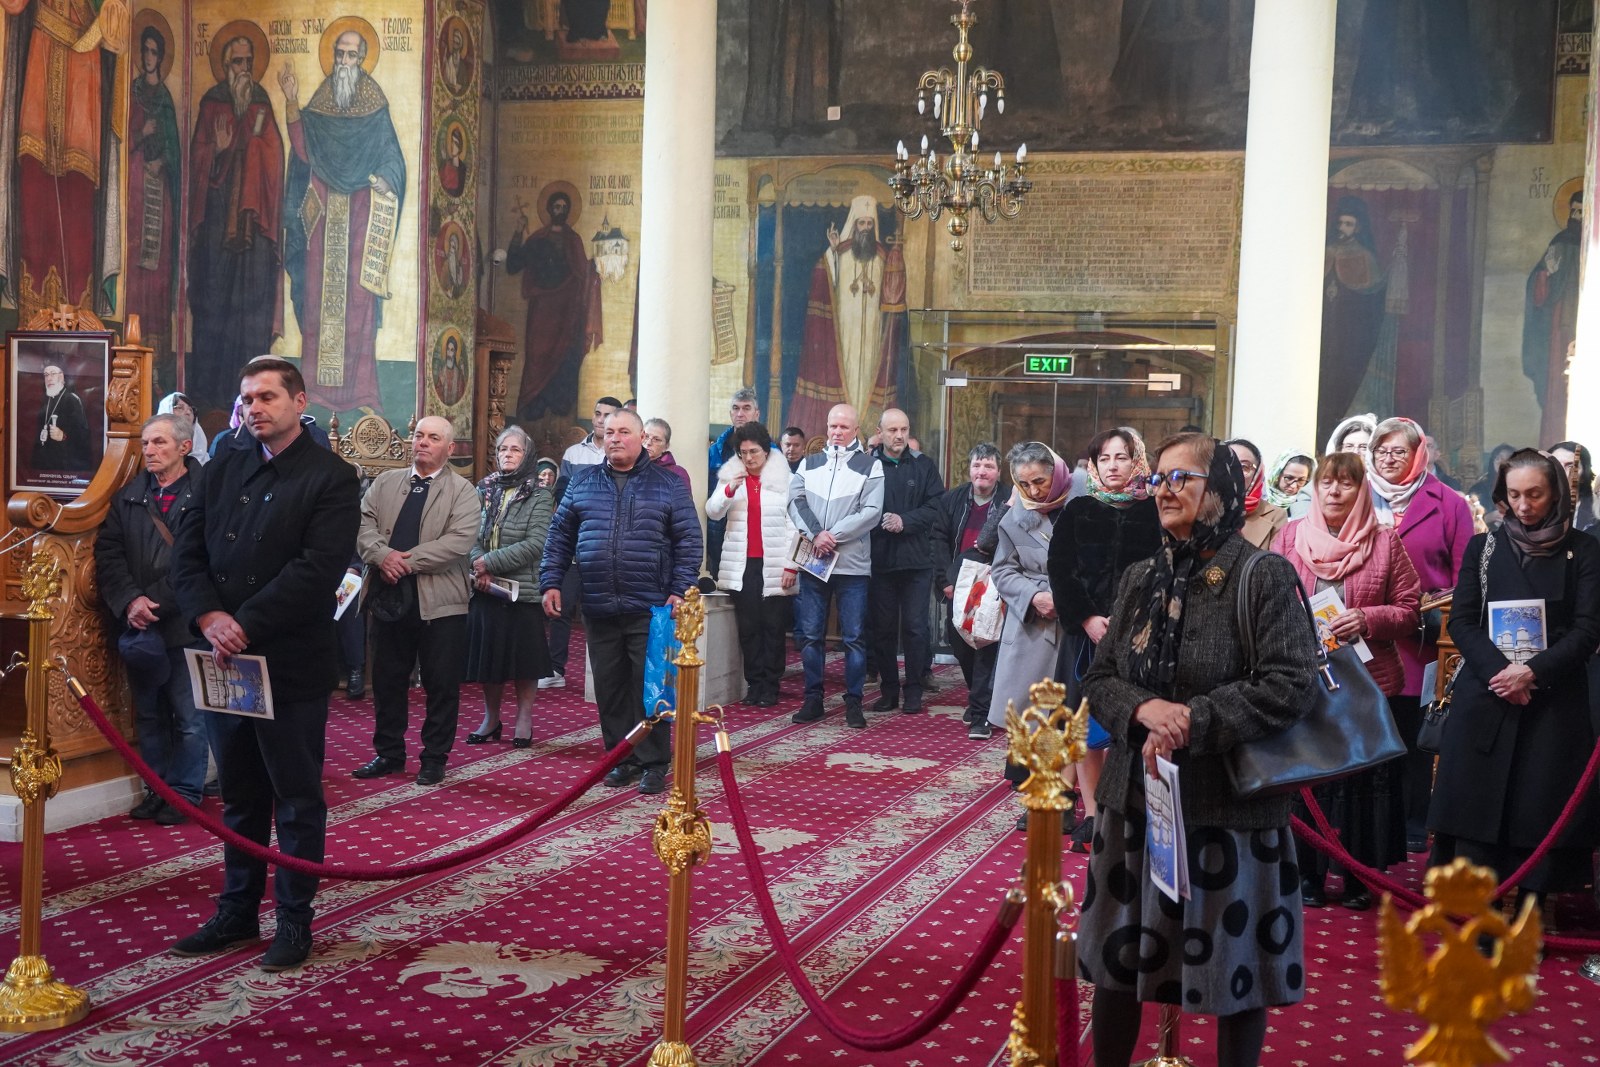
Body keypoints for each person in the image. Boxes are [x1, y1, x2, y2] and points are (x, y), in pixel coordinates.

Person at [1080, 433, 1319, 1067]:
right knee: (1117, 961)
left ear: (1221, 490)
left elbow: (1290, 684)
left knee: (1235, 972)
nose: (1163, 491)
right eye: (1156, 479)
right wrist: (1143, 710)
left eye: (1179, 478)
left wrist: (1192, 719)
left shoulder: (1263, 575)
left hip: (1229, 808)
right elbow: (1100, 678)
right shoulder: (1140, 578)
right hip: (1135, 799)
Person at [169, 356, 361, 972]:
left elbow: (317, 570)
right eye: (247, 398)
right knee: (240, 795)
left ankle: (295, 919)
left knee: (296, 796)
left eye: (267, 397)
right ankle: (237, 910)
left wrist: (244, 623)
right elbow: (187, 552)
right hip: (223, 657)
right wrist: (207, 617)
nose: (254, 408)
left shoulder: (332, 477)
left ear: (299, 402)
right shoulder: (223, 465)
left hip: (288, 660)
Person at [1428, 449, 1600, 906]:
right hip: (1489, 692)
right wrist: (1501, 673)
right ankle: (1476, 910)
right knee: (1477, 807)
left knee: (1538, 807)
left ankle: (1530, 913)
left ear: (1556, 493)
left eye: (1535, 494)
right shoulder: (1483, 548)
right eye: (1514, 494)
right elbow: (1462, 620)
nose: (1523, 506)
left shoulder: (1584, 550)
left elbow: (1588, 629)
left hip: (1552, 698)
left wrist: (1532, 672)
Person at [1272, 452, 1420, 909]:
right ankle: (1309, 874)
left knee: (1363, 782)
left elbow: (1410, 610)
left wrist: (1367, 619)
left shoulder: (1385, 541)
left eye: (1346, 483)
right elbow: (1265, 600)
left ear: (1362, 490)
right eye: (1327, 483)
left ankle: (1360, 877)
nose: (1335, 491)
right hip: (1304, 677)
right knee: (1310, 780)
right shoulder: (1289, 537)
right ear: (1315, 489)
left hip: (1368, 680)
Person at [539, 410, 702, 796]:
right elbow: (559, 537)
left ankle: (654, 762)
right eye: (609, 431)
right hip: (599, 604)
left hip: (650, 606)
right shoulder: (583, 483)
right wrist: (551, 581)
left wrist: (680, 588)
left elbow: (689, 540)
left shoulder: (668, 484)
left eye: (624, 431)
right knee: (610, 688)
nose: (614, 438)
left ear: (641, 438)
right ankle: (620, 758)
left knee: (648, 688)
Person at [1047, 427, 1162, 853]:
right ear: (1093, 465)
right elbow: (1060, 570)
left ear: (1137, 461)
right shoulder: (1078, 509)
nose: (1113, 466)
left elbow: (1164, 572)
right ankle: (1094, 815)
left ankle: (1127, 810)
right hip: (1085, 636)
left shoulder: (1154, 511)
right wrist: (1087, 617)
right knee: (1082, 726)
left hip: (1141, 637)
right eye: (1104, 458)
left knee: (1132, 724)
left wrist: (1135, 623)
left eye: (1121, 457)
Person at [278, 31, 406, 413]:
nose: (344, 62)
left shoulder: (374, 104)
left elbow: (392, 155)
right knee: (319, 301)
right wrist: (291, 100)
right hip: (323, 218)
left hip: (361, 216)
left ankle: (361, 393)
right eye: (340, 54)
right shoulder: (321, 101)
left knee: (359, 303)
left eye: (351, 55)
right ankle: (315, 392)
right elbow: (305, 150)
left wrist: (387, 178)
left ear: (362, 59)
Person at [1366, 416, 1473, 854]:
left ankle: (1413, 819)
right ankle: (1364, 823)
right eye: (1382, 451)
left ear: (1418, 455)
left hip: (1424, 639)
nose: (1389, 459)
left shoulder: (1449, 503)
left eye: (1399, 452)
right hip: (1366, 635)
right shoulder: (1358, 495)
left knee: (1413, 737)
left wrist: (1437, 605)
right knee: (1368, 731)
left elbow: (1466, 577)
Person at [352, 416, 478, 786]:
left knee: (441, 683)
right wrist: (382, 556)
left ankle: (434, 758)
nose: (422, 442)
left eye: (433, 437)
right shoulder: (386, 482)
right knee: (387, 679)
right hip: (388, 598)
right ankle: (388, 753)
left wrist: (403, 561)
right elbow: (362, 525)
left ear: (449, 448)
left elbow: (459, 541)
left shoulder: (463, 491)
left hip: (441, 603)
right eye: (419, 435)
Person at [96, 413, 207, 827]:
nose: (150, 450)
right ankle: (156, 789)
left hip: (185, 624)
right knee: (148, 715)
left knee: (189, 718)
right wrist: (130, 601)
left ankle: (185, 794)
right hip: (140, 627)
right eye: (146, 443)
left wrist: (153, 602)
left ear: (184, 447)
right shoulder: (129, 496)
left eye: (159, 442)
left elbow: (201, 560)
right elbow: (108, 554)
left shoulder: (206, 495)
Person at [187, 35, 284, 413]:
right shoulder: (212, 102)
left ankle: (256, 392)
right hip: (216, 221)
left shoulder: (261, 102)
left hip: (253, 226)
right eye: (236, 63)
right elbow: (197, 159)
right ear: (225, 67)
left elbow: (275, 157)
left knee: (251, 303)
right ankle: (209, 393)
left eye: (247, 62)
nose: (243, 70)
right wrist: (220, 151)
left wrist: (255, 151)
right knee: (213, 300)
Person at [787, 403, 884, 728]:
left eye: (844, 427)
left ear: (856, 430)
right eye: (833, 426)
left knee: (854, 637)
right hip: (815, 560)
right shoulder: (810, 462)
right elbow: (794, 500)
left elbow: (871, 511)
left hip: (852, 564)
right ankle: (813, 698)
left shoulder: (871, 465)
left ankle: (853, 702)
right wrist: (817, 534)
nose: (837, 432)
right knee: (811, 635)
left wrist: (833, 536)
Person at [789, 196, 909, 435]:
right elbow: (826, 280)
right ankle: (847, 418)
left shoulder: (883, 257)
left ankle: (865, 423)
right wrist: (832, 251)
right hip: (844, 330)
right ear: (853, 225)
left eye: (869, 224)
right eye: (861, 223)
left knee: (867, 373)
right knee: (846, 369)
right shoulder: (840, 254)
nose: (865, 228)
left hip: (872, 331)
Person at [465, 426, 554, 748]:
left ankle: (524, 718)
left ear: (526, 455)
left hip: (522, 591)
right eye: (503, 449)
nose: (507, 454)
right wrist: (478, 564)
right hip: (485, 588)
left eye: (515, 449)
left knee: (524, 660)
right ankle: (491, 718)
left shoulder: (540, 494)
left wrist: (489, 563)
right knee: (490, 659)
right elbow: (468, 534)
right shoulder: (484, 489)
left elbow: (536, 543)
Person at [984, 443, 1072, 744]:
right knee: (1028, 722)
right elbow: (1002, 570)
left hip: (1077, 623)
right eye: (1023, 484)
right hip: (1034, 625)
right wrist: (1034, 597)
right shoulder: (1014, 518)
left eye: (1039, 481)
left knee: (1075, 721)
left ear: (1056, 474)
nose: (1032, 491)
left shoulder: (1085, 507)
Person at [707, 422, 799, 707]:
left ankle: (771, 685)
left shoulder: (785, 479)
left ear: (766, 451)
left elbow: (795, 526)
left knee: (773, 626)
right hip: (742, 564)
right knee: (748, 627)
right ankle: (754, 683)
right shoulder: (730, 476)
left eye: (754, 451)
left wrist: (791, 565)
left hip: (775, 563)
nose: (748, 457)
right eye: (743, 452)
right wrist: (729, 490)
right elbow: (713, 512)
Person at [868, 408, 945, 713]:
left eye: (904, 429)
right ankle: (888, 690)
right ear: (880, 432)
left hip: (916, 562)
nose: (899, 436)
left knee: (915, 627)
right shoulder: (867, 466)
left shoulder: (924, 465)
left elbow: (936, 506)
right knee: (883, 629)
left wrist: (905, 521)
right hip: (879, 560)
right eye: (892, 430)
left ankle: (913, 690)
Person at [505, 187, 603, 421]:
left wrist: (593, 269)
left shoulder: (574, 241)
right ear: (549, 209)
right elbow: (513, 265)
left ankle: (561, 410)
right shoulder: (537, 239)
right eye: (557, 207)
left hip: (568, 313)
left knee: (565, 358)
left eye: (564, 207)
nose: (561, 211)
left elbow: (582, 273)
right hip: (542, 312)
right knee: (537, 357)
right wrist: (518, 232)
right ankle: (533, 409)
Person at [544, 396, 620, 690]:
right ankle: (555, 668)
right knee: (562, 607)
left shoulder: (617, 452)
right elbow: (563, 495)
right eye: (598, 413)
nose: (601, 420)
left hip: (604, 547)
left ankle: (603, 673)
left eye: (607, 415)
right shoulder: (574, 453)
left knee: (600, 611)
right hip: (576, 542)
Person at [936, 443, 1003, 734]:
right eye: (977, 465)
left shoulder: (1009, 501)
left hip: (993, 584)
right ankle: (979, 697)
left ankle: (981, 712)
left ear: (998, 471)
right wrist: (945, 580)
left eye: (988, 466)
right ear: (970, 469)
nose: (982, 471)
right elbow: (938, 540)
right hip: (959, 584)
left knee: (986, 646)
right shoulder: (952, 499)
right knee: (960, 644)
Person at [128, 25, 182, 365]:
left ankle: (157, 361)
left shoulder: (164, 100)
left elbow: (175, 149)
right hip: (136, 194)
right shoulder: (131, 94)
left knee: (158, 273)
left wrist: (162, 162)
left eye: (154, 52)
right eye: (145, 51)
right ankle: (130, 347)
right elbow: (121, 142)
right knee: (136, 270)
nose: (149, 57)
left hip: (159, 195)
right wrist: (140, 133)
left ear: (160, 57)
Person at [1524, 191, 1582, 445]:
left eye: (1582, 212)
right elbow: (1539, 288)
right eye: (1574, 211)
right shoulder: (1561, 242)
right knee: (1557, 380)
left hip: (1582, 319)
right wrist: (1545, 275)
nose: (1577, 217)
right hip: (1561, 322)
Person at [708, 388, 766, 565]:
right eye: (736, 408)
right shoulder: (716, 450)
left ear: (756, 414)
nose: (740, 414)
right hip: (718, 527)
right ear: (730, 413)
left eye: (746, 408)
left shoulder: (771, 452)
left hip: (755, 529)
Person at [1226, 438, 1289, 550]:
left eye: (1244, 467)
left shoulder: (1276, 516)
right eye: (1227, 464)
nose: (1234, 472)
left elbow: (1275, 559)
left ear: (1257, 474)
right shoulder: (1200, 510)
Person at [32, 365, 91, 470]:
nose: (49, 378)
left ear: (62, 376)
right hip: (46, 464)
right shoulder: (46, 399)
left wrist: (63, 436)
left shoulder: (72, 400)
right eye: (46, 375)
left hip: (66, 464)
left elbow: (83, 435)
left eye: (53, 374)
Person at [1550, 441, 1597, 533]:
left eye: (1571, 466)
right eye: (1555, 465)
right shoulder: (1531, 507)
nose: (1561, 471)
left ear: (1584, 475)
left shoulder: (1596, 511)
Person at [642, 417, 693, 493]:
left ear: (666, 446)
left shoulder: (677, 474)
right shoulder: (628, 467)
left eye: (656, 439)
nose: (648, 443)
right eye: (646, 437)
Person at [158, 392, 210, 464]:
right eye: (180, 408)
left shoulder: (204, 460)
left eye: (191, 410)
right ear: (166, 411)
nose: (188, 412)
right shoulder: (155, 450)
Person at [1263, 451, 1314, 519]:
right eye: (1289, 478)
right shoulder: (1261, 500)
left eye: (1301, 480)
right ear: (1277, 475)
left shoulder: (1310, 505)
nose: (1294, 486)